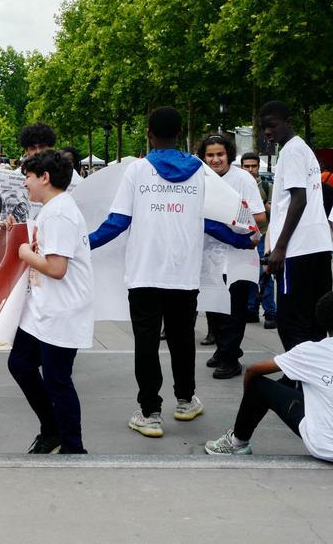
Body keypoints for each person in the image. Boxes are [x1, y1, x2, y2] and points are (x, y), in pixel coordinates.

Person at [89, 107, 256, 439]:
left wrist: (82, 243)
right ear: (181, 134)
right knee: (183, 342)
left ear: (149, 133)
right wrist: (242, 242)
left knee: (146, 345)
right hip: (184, 274)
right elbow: (209, 222)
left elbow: (118, 222)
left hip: (144, 273)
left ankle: (150, 412)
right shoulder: (200, 172)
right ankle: (184, 401)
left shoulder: (137, 171)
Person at [7, 150, 94, 454]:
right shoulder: (53, 208)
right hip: (44, 310)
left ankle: (73, 445)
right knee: (20, 364)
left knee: (58, 380)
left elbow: (57, 268)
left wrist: (25, 254)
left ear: (44, 177)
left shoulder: (58, 213)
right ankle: (53, 427)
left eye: (27, 178)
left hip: (61, 310)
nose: (25, 184)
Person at [204, 290, 333, 460]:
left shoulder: (310, 351)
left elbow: (253, 371)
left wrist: (249, 401)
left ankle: (236, 442)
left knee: (257, 384)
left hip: (325, 445)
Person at [260, 101, 333, 351]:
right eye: (263, 128)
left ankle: (296, 380)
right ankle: (311, 382)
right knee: (314, 319)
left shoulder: (291, 151)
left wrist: (279, 248)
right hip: (319, 246)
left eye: (272, 125)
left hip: (297, 250)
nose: (267, 132)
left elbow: (298, 199)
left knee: (291, 320)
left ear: (287, 121)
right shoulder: (305, 149)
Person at [197, 135, 267, 379]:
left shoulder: (243, 179)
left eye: (220, 154)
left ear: (229, 154)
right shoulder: (199, 179)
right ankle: (221, 349)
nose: (215, 159)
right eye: (210, 155)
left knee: (233, 308)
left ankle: (231, 357)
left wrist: (230, 217)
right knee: (213, 307)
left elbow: (260, 217)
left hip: (238, 253)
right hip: (208, 254)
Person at [239, 152, 276, 327]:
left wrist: (268, 207)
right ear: (241, 167)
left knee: (265, 274)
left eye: (254, 166)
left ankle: (270, 313)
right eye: (247, 166)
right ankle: (252, 310)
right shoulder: (238, 185)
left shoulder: (267, 186)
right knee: (249, 276)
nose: (251, 170)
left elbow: (276, 212)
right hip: (244, 236)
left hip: (262, 236)